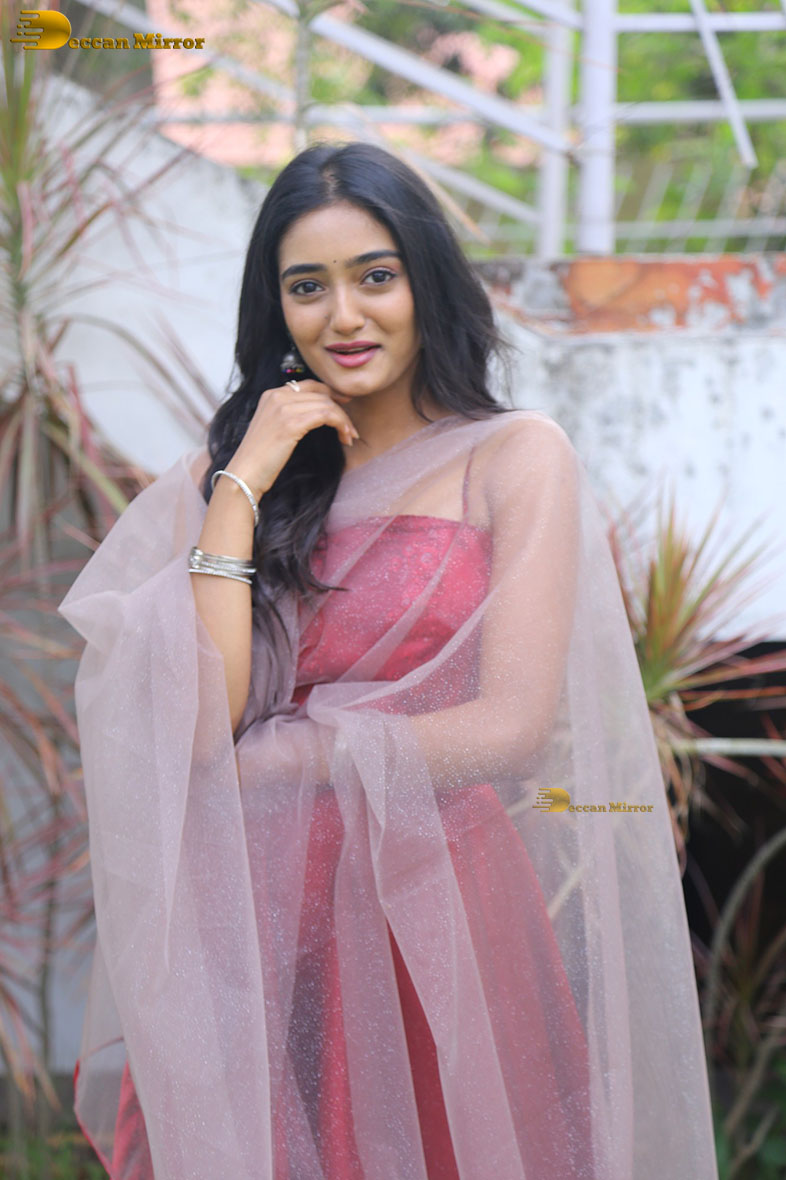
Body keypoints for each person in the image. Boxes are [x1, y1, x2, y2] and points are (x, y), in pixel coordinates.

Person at [58, 141, 719, 1180]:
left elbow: (512, 726)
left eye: (376, 276)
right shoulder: (229, 481)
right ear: (275, 309)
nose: (344, 316)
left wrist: (290, 757)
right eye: (307, 287)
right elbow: (200, 719)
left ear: (427, 281)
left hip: (436, 908)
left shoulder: (513, 456)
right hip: (252, 913)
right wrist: (242, 486)